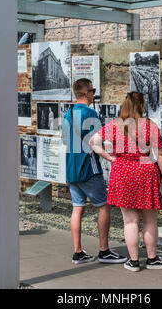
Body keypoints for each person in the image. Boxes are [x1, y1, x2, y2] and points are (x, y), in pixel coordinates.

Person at [89, 91, 162, 272]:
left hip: (122, 170)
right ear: (142, 106)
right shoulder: (150, 125)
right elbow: (159, 154)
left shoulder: (115, 125)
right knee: (150, 220)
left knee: (130, 221)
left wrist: (110, 158)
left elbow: (93, 141)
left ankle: (134, 261)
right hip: (145, 169)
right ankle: (152, 259)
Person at [61, 78, 127, 265]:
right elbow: (99, 143)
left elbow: (66, 141)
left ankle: (78, 252)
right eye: (92, 90)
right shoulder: (90, 113)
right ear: (85, 93)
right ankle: (104, 250)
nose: (93, 94)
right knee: (104, 205)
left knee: (77, 208)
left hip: (72, 167)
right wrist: (114, 155)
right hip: (89, 167)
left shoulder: (68, 113)